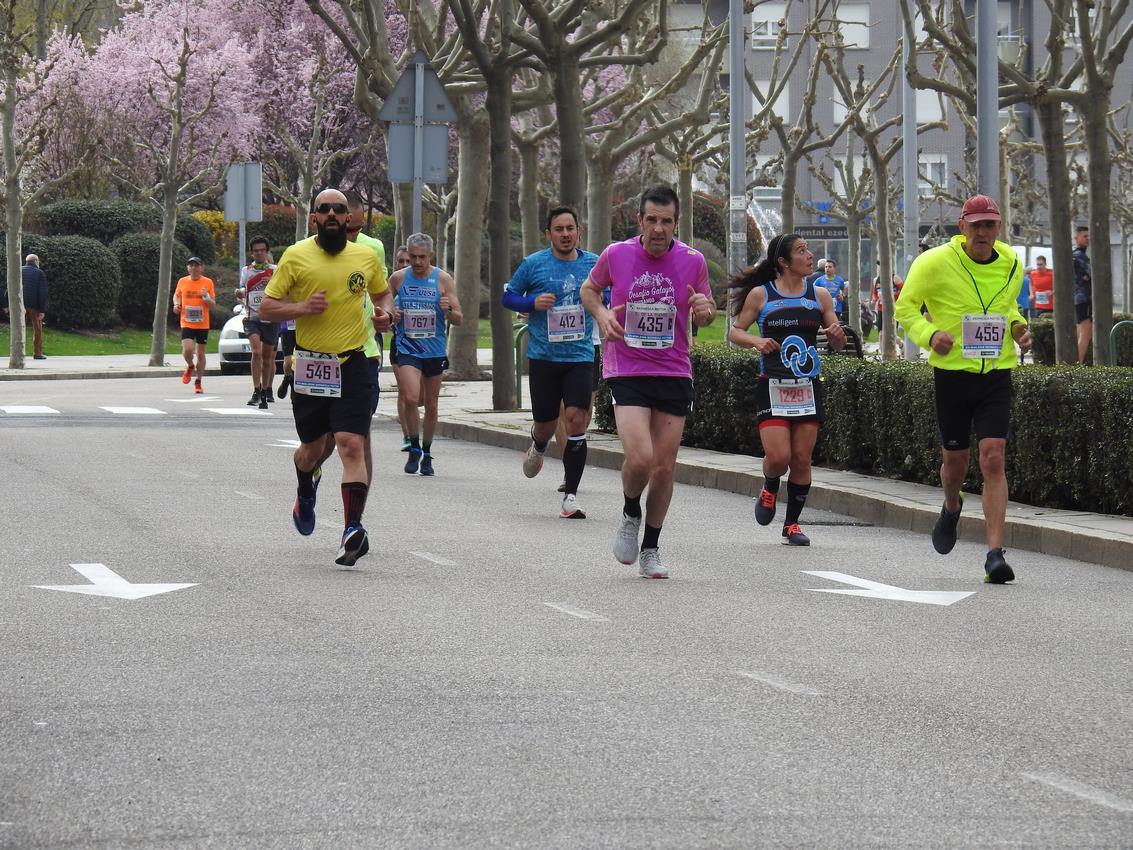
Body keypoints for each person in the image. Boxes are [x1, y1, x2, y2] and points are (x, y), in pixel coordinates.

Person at [580, 185, 716, 579]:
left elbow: (705, 312)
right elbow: (590, 289)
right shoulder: (617, 254)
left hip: (674, 369)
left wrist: (705, 310)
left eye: (667, 221)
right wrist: (602, 315)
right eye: (652, 220)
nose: (659, 229)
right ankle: (628, 513)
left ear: (676, 223)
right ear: (639, 220)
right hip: (628, 367)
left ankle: (651, 548)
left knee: (664, 468)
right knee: (640, 458)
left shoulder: (693, 261)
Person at [894, 194, 1031, 585]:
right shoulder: (934, 262)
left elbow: (1009, 309)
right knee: (955, 463)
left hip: (996, 374)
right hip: (953, 375)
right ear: (963, 227)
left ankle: (994, 555)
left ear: (999, 227)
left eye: (991, 225)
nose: (984, 232)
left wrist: (1019, 328)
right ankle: (952, 506)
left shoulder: (1011, 263)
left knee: (993, 457)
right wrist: (929, 333)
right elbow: (905, 307)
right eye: (977, 226)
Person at [258, 188, 393, 567]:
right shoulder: (296, 255)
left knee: (352, 444)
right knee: (313, 450)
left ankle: (352, 529)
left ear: (349, 217)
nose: (333, 214)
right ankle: (306, 483)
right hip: (312, 365)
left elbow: (383, 295)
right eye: (324, 209)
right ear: (314, 217)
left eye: (339, 209)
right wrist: (302, 307)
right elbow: (267, 307)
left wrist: (386, 316)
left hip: (352, 363)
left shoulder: (365, 257)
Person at [728, 234, 846, 546]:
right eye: (801, 251)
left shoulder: (820, 295)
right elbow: (735, 331)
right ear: (783, 261)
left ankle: (791, 524)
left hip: (808, 385)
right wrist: (756, 341)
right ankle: (769, 486)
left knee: (802, 458)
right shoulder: (761, 294)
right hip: (772, 385)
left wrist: (836, 334)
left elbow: (837, 340)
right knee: (779, 458)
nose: (810, 256)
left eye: (808, 250)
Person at [502, 205, 599, 518]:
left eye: (570, 228)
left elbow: (608, 293)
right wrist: (532, 302)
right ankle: (538, 445)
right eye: (559, 229)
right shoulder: (534, 264)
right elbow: (508, 297)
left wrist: (607, 304)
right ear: (549, 234)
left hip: (580, 355)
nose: (566, 234)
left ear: (578, 231)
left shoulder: (593, 264)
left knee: (576, 420)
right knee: (545, 424)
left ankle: (570, 496)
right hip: (544, 357)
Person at [389, 233, 463, 477]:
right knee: (410, 398)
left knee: (430, 404)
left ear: (431, 255)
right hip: (408, 347)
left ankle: (427, 453)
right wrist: (392, 317)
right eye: (412, 257)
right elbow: (383, 309)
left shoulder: (442, 279)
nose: (417, 262)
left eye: (422, 257)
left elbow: (459, 318)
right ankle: (413, 445)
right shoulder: (398, 279)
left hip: (434, 349)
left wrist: (448, 309)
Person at [235, 236, 278, 409]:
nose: (259, 253)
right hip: (252, 317)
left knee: (267, 357)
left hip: (270, 317)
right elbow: (244, 289)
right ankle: (256, 389)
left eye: (262, 250)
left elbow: (284, 292)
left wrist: (273, 283)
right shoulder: (246, 270)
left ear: (267, 252)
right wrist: (239, 292)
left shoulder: (275, 270)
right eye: (256, 251)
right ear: (252, 253)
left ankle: (267, 389)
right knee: (257, 352)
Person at [172, 257, 215, 394]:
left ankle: (198, 381)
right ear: (188, 268)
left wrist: (206, 297)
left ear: (201, 268)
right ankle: (190, 366)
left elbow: (212, 305)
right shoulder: (182, 281)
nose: (194, 268)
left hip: (202, 323)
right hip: (187, 321)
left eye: (196, 266)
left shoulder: (207, 282)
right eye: (191, 266)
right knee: (188, 350)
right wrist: (176, 304)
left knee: (200, 353)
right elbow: (177, 295)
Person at [388, 247, 413, 450]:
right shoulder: (393, 282)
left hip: (427, 346)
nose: (404, 265)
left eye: (407, 261)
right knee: (405, 391)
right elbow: (383, 311)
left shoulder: (431, 281)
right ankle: (407, 435)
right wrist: (391, 317)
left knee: (417, 395)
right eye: (400, 261)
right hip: (400, 343)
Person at [21, 254, 48, 359]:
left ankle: (17, 352)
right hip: (34, 305)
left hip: (20, 304)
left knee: (18, 328)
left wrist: (7, 304)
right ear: (36, 261)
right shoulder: (39, 273)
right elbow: (42, 292)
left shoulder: (19, 270)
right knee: (37, 330)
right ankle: (37, 353)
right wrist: (42, 310)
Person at [1072, 226, 1092, 363]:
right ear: (1076, 237)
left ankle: (1077, 364)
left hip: (1079, 298)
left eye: (1088, 236)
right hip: (1082, 298)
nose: (1087, 239)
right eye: (1084, 236)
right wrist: (1087, 276)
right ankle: (1078, 365)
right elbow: (1092, 273)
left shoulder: (1077, 255)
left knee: (1081, 332)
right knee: (1086, 333)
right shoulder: (1079, 255)